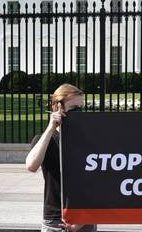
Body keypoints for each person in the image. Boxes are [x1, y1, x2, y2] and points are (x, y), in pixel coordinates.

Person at [26, 84, 97, 232]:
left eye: (81, 107)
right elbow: (31, 165)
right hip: (55, 218)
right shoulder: (46, 139)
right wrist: (51, 127)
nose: (79, 112)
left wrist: (83, 219)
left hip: (84, 218)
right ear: (57, 107)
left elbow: (98, 182)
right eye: (73, 108)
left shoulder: (90, 139)